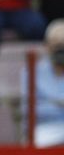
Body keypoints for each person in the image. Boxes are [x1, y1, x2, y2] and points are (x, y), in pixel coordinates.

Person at [23, 19, 64, 147]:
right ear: (46, 46)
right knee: (36, 143)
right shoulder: (31, 71)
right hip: (45, 128)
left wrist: (52, 103)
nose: (61, 50)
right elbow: (29, 109)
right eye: (57, 45)